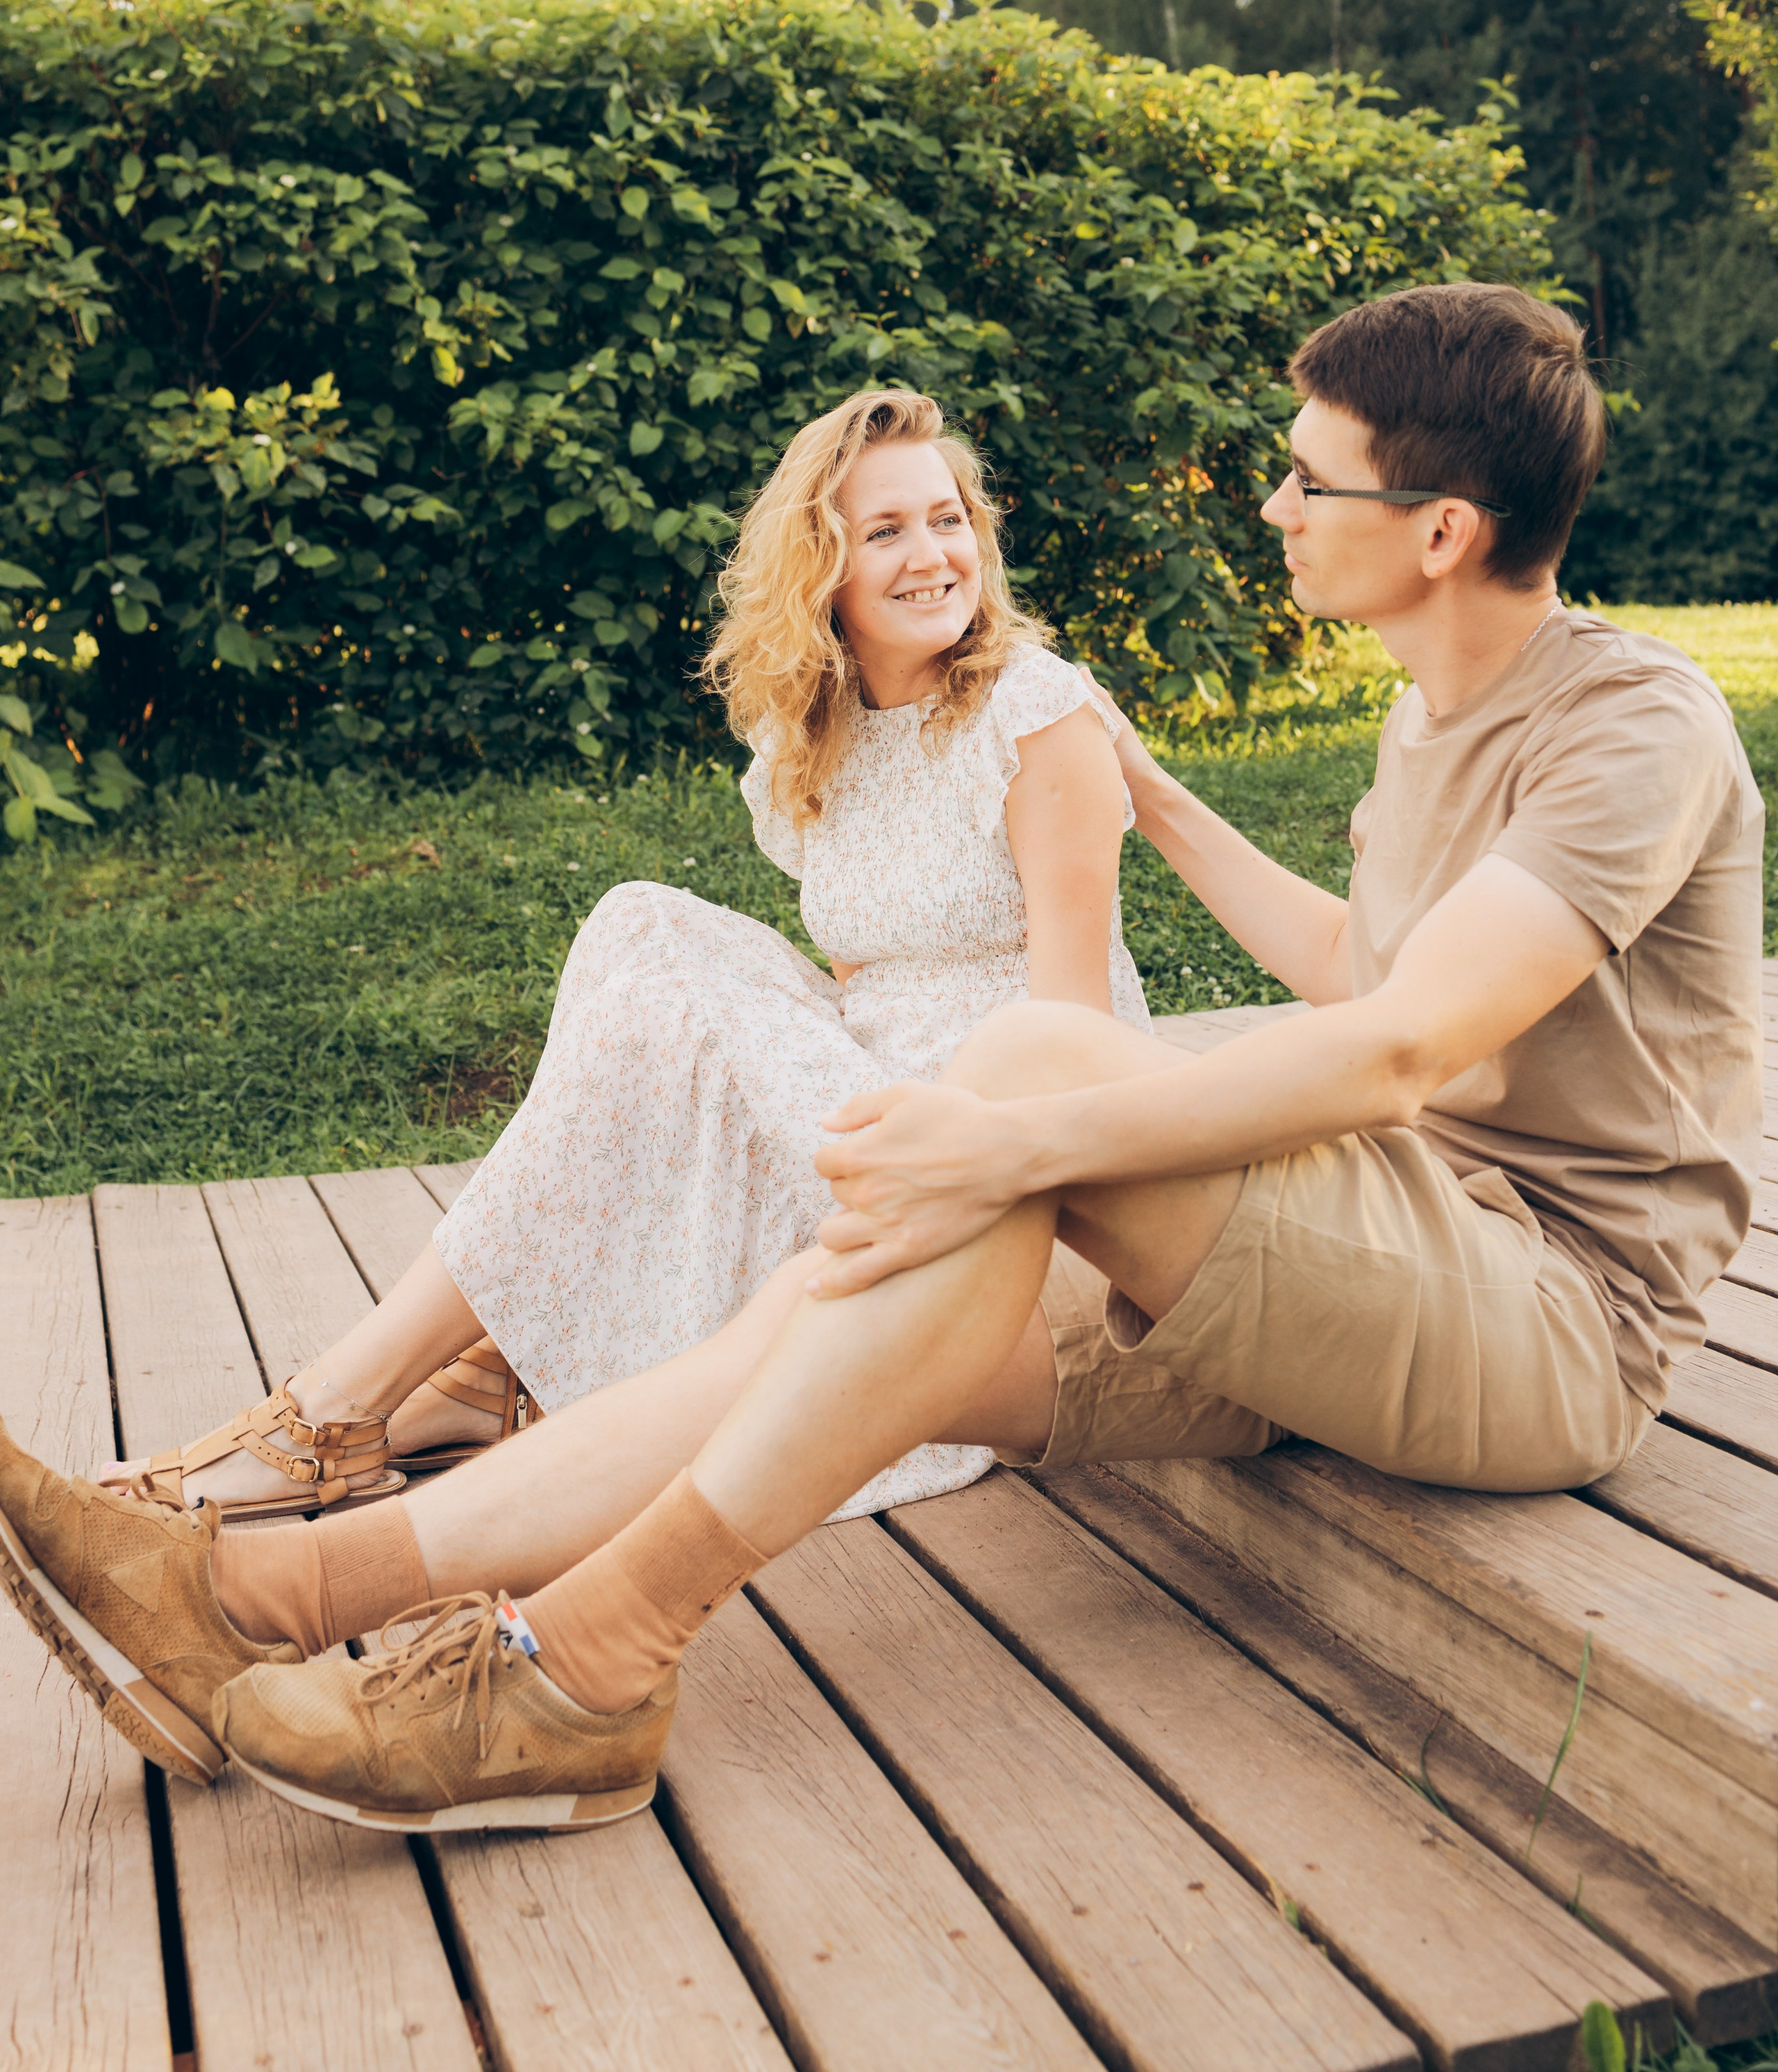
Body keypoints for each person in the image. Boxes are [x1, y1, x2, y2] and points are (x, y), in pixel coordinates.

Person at [5, 281, 1762, 1838]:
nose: (1274, 499)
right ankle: (265, 1594)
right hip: (1362, 1266)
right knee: (816, 1314)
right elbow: (1356, 960)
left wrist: (1021, 1142)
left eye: (1311, 475)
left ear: (1440, 528)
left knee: (1019, 1075)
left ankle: (587, 1659)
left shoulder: (1627, 725)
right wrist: (1156, 800)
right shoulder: (1423, 704)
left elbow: (1397, 1046)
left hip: (1541, 1310)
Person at [97, 386, 1147, 1527]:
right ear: (823, 568)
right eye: (886, 530)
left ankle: (334, 1408)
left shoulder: (1037, 714)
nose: (934, 554)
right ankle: (483, 1366)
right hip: (869, 1092)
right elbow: (864, 974)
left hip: (981, 1170)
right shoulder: (824, 733)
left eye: (949, 519)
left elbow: (1076, 1050)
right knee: (638, 920)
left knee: (674, 1010)